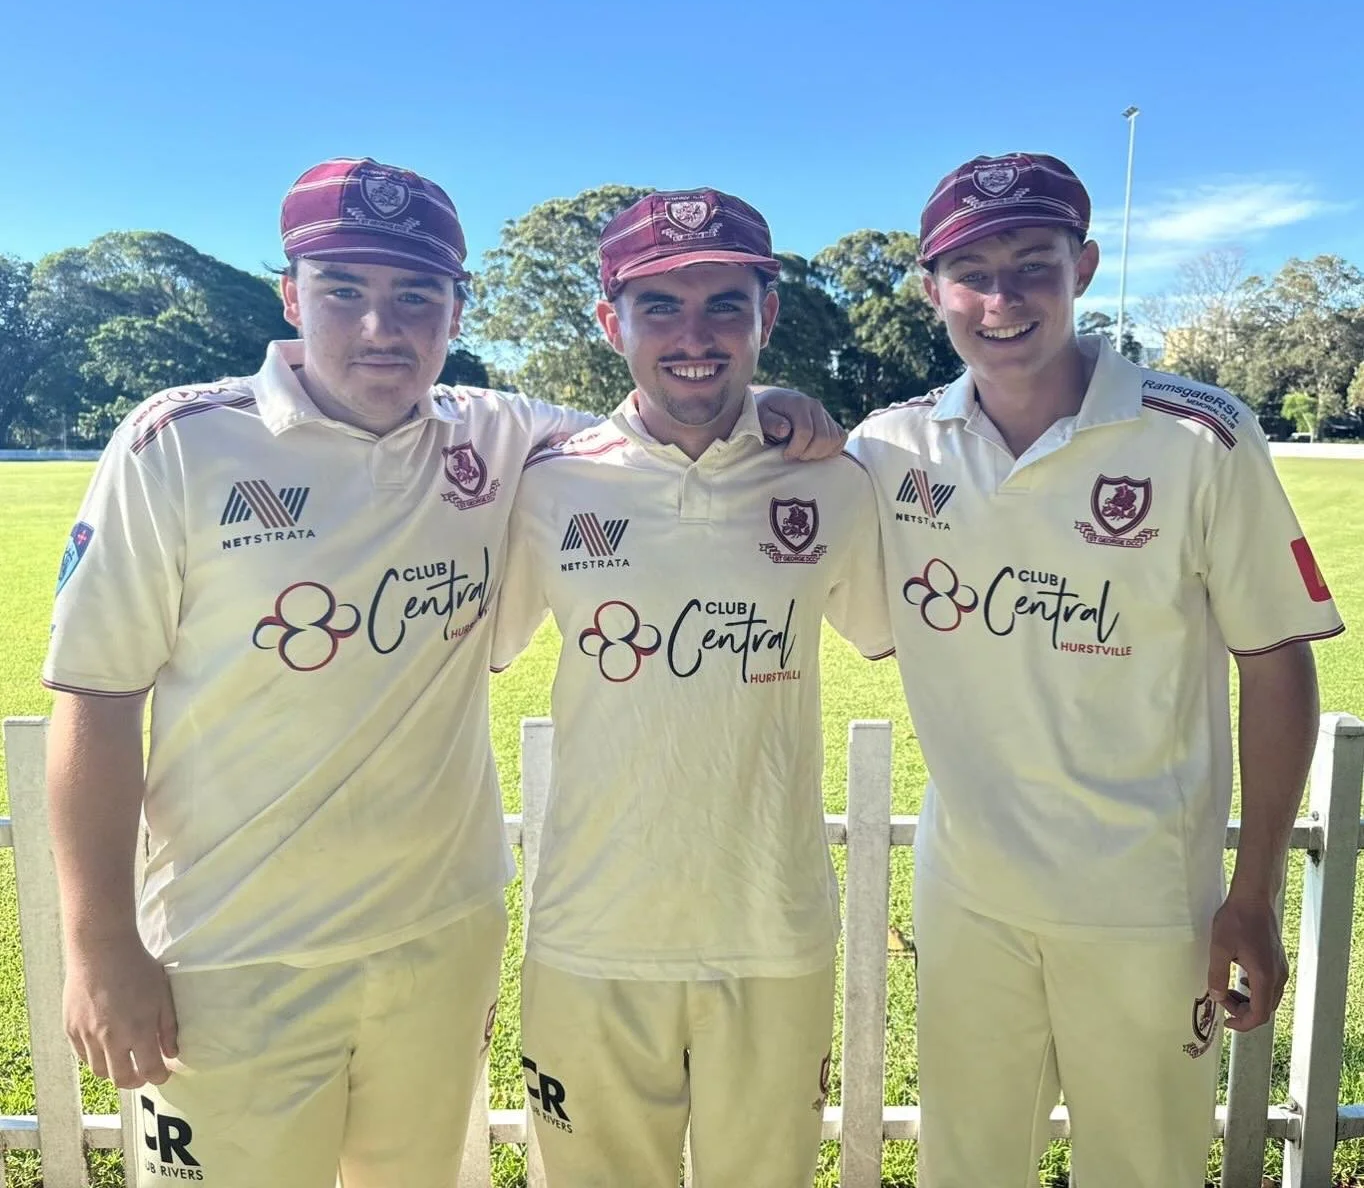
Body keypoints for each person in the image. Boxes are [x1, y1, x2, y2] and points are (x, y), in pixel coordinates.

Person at [41, 157, 839, 1188]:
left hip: (438, 938)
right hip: (230, 951)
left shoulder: (496, 439)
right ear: (291, 296)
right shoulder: (180, 445)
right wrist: (100, 946)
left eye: (415, 295)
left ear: (456, 309)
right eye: (345, 291)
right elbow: (96, 699)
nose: (382, 327)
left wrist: (764, 395)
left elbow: (665, 413)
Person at [846, 151, 1346, 1187]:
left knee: (1144, 1168)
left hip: (1146, 906)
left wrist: (1249, 891)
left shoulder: (1198, 435)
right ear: (930, 287)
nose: (999, 299)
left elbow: (1274, 658)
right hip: (968, 894)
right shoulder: (888, 451)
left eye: (1030, 263)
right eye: (969, 272)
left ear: (1083, 264)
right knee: (966, 1167)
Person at [491, 188, 894, 1186]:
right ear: (609, 322)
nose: (693, 336)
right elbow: (464, 646)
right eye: (659, 307)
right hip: (594, 933)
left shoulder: (832, 480)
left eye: (724, 303)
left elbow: (906, 635)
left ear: (766, 317)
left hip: (771, 932)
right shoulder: (549, 483)